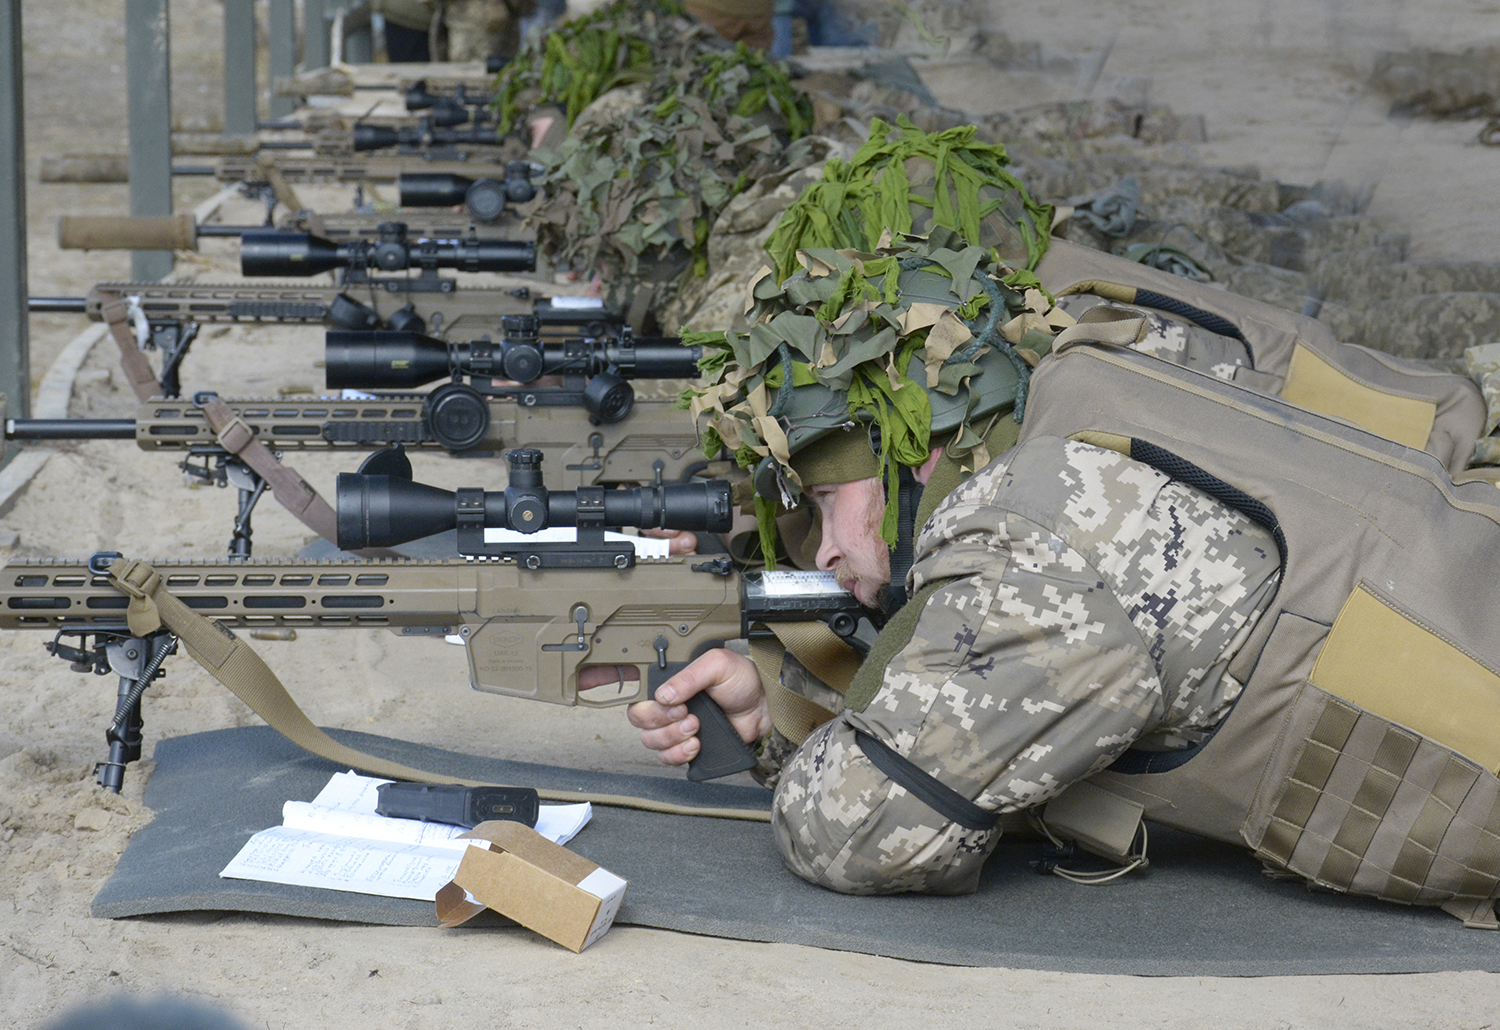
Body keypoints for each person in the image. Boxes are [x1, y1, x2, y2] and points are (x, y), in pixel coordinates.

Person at [625, 233, 1284, 894]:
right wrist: (777, 708)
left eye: (828, 500)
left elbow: (853, 834)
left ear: (919, 455)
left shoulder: (1038, 536)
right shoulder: (1076, 435)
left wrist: (820, 730)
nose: (823, 552)